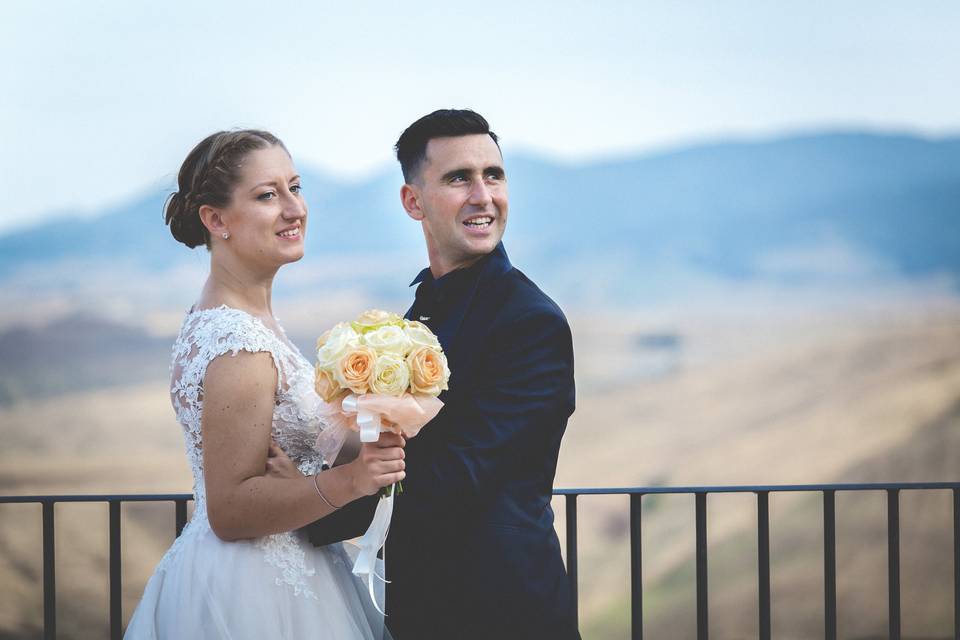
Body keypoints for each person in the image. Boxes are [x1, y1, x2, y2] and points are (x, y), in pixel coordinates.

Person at [303, 110, 580, 639]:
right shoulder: (421, 312)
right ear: (413, 202)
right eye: (459, 178)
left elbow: (458, 478)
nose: (483, 195)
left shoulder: (531, 322)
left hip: (503, 610)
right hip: (423, 607)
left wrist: (306, 508)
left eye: (493, 175)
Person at [124, 129, 404, 639]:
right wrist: (355, 480)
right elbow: (230, 511)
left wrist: (386, 415)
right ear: (215, 219)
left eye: (295, 187)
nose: (294, 208)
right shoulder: (238, 344)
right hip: (251, 592)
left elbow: (293, 453)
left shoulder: (247, 323)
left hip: (286, 568)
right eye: (267, 195)